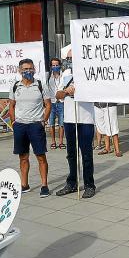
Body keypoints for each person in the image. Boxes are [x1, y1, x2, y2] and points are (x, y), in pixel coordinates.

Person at [9, 58, 51, 198]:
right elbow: (11, 105)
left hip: (35, 125)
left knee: (40, 156)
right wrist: (13, 122)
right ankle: (24, 185)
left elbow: (48, 105)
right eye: (25, 69)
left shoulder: (40, 85)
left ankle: (44, 185)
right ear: (19, 70)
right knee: (23, 157)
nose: (28, 71)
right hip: (20, 126)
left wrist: (43, 121)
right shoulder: (15, 86)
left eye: (31, 68)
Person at [55, 55, 96, 198]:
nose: (70, 60)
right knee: (71, 154)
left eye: (73, 57)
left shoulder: (90, 71)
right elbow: (58, 94)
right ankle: (72, 183)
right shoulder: (66, 74)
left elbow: (95, 92)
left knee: (86, 154)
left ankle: (89, 185)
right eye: (69, 57)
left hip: (86, 119)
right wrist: (67, 91)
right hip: (70, 119)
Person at [47, 57, 65, 150]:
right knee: (51, 123)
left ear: (60, 65)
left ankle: (61, 142)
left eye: (56, 65)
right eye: (53, 65)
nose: (55, 67)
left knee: (62, 123)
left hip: (61, 102)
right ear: (51, 66)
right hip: (52, 102)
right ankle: (53, 141)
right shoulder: (48, 75)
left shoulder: (64, 75)